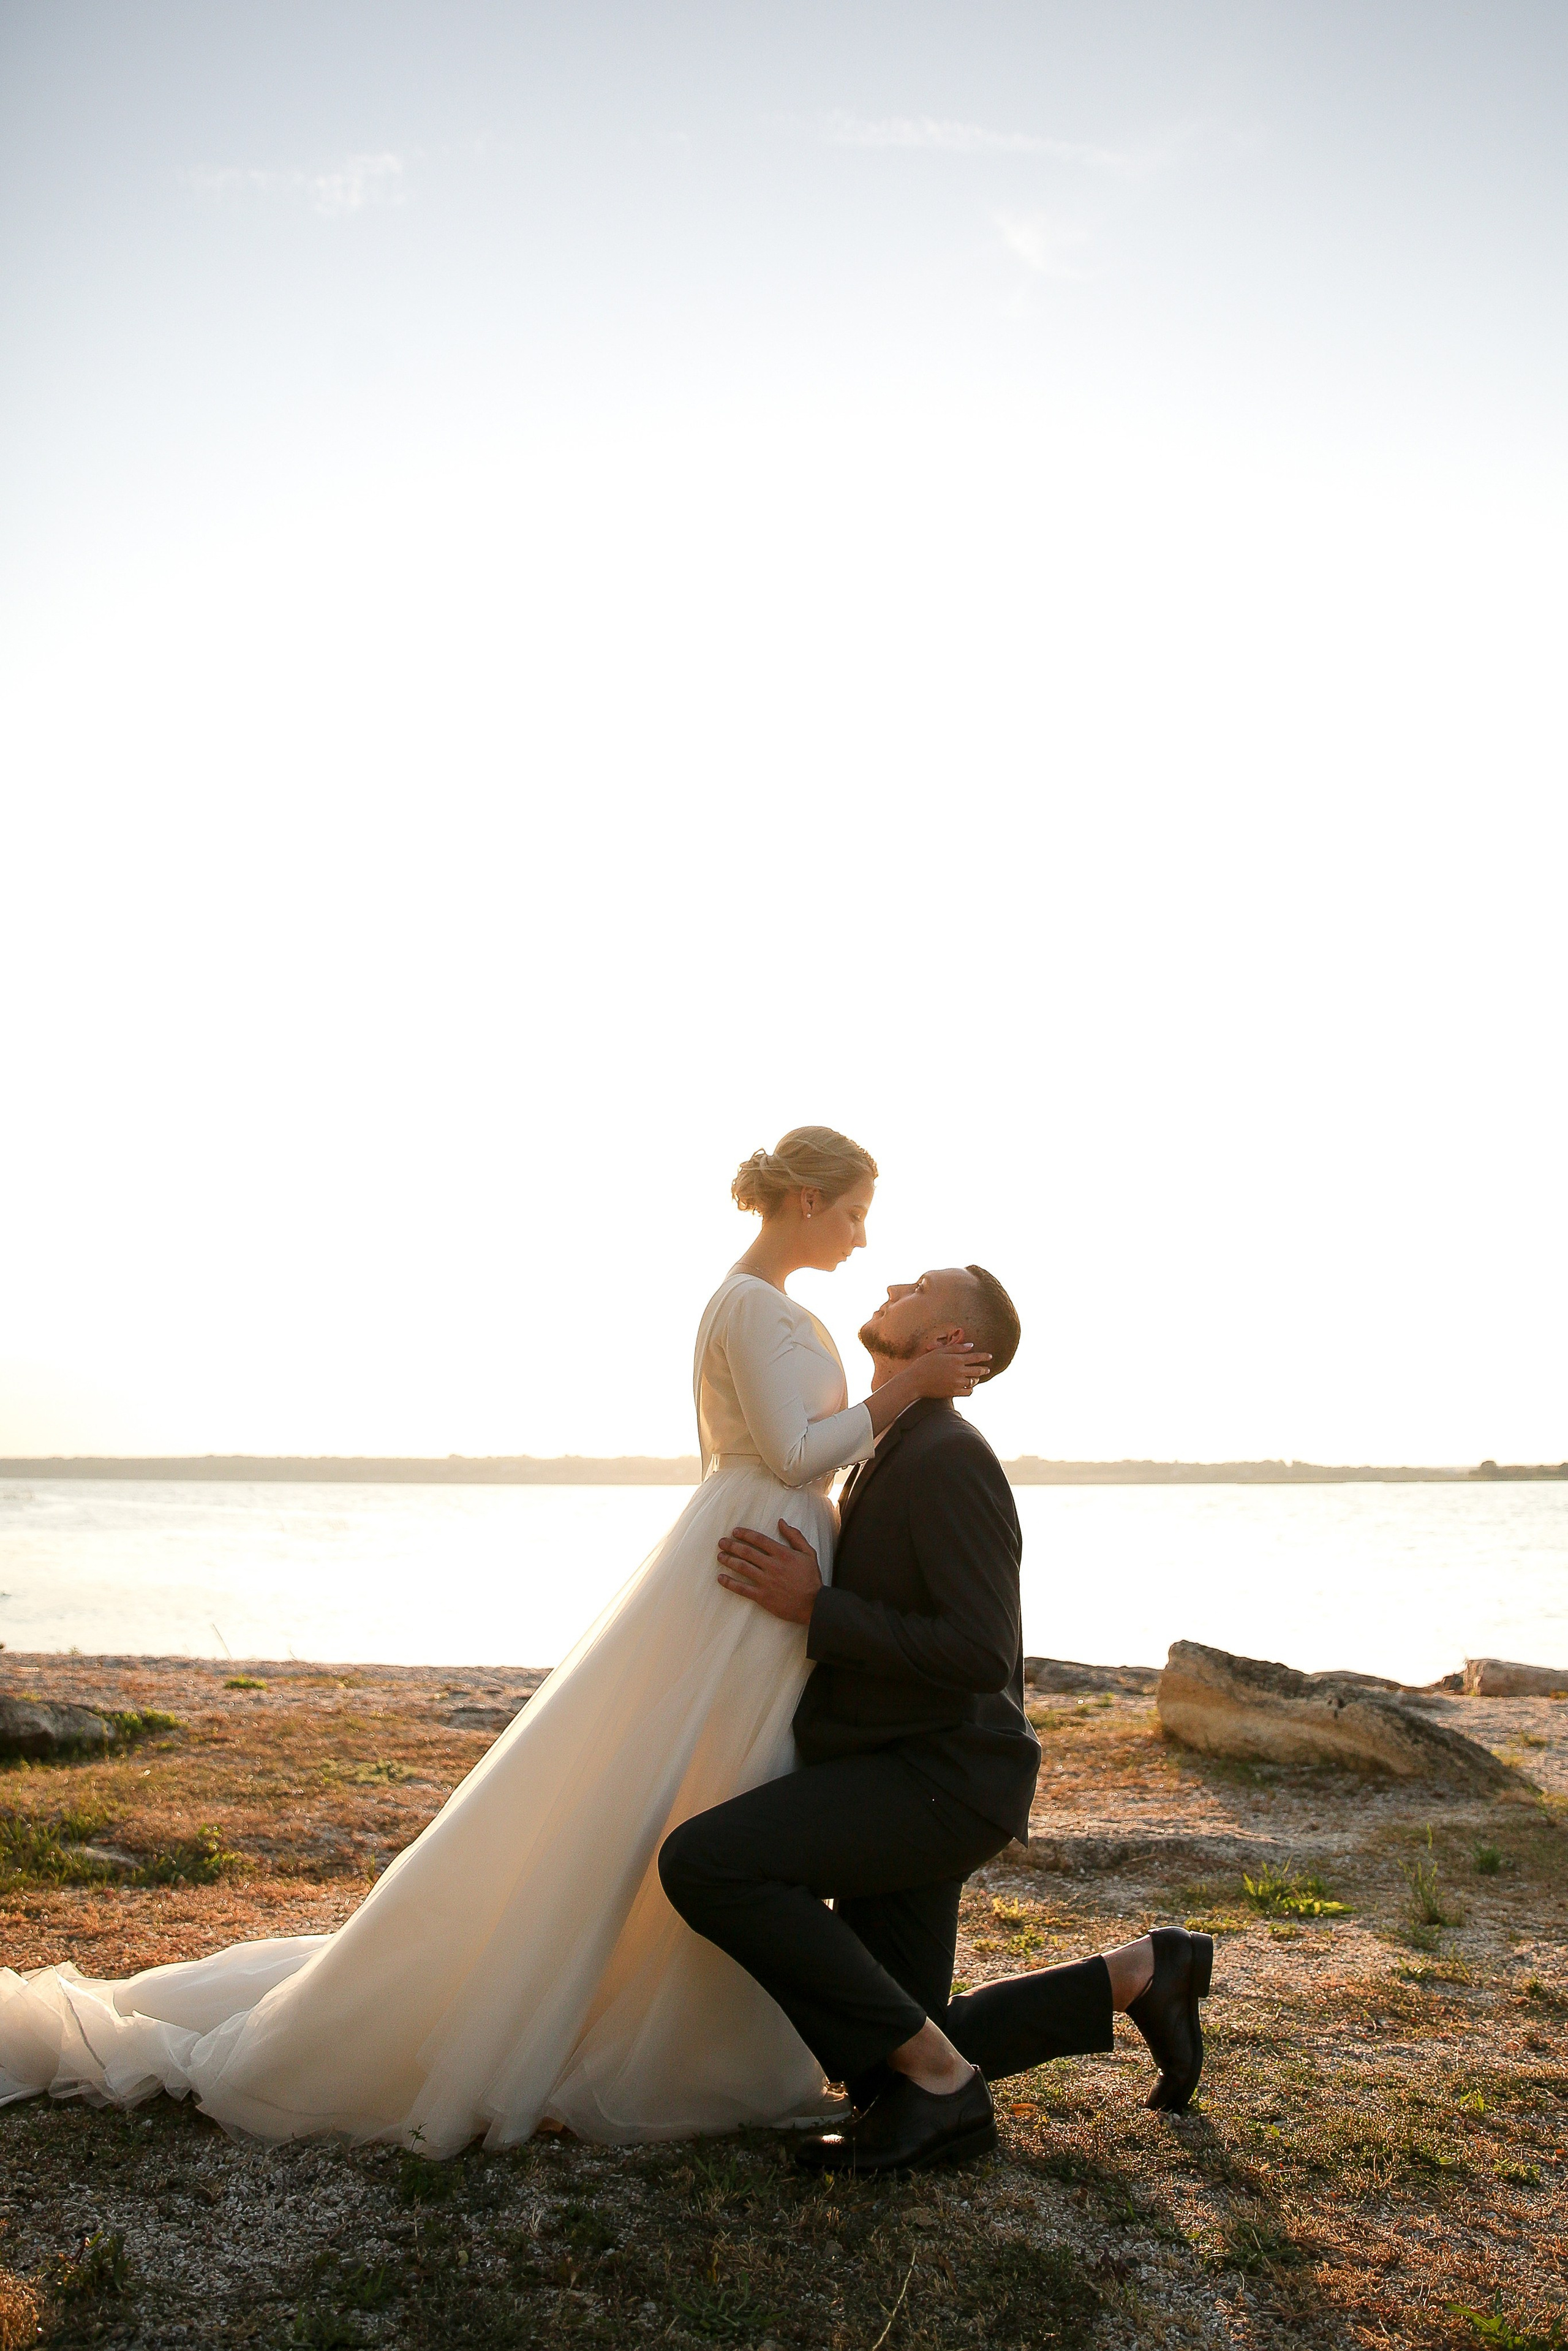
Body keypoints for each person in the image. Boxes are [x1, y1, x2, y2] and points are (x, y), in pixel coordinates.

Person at [0, 1128, 984, 2150]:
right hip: (745, 1574)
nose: (863, 1238)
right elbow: (790, 1452)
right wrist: (906, 1388)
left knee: (720, 1784)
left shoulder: (775, 1305)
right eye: (856, 1212)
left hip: (763, 1570)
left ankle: (686, 2019)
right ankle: (630, 2025)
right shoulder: (749, 1302)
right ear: (810, 1199)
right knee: (687, 1789)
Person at [658, 1265, 1213, 2173]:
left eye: (919, 1286)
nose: (893, 1284)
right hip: (901, 1765)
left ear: (954, 1342)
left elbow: (982, 1651)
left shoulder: (951, 1456)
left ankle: (949, 2088)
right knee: (896, 2055)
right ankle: (1144, 1972)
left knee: (705, 1861)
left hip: (942, 1780)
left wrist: (816, 1609)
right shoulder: (888, 1443)